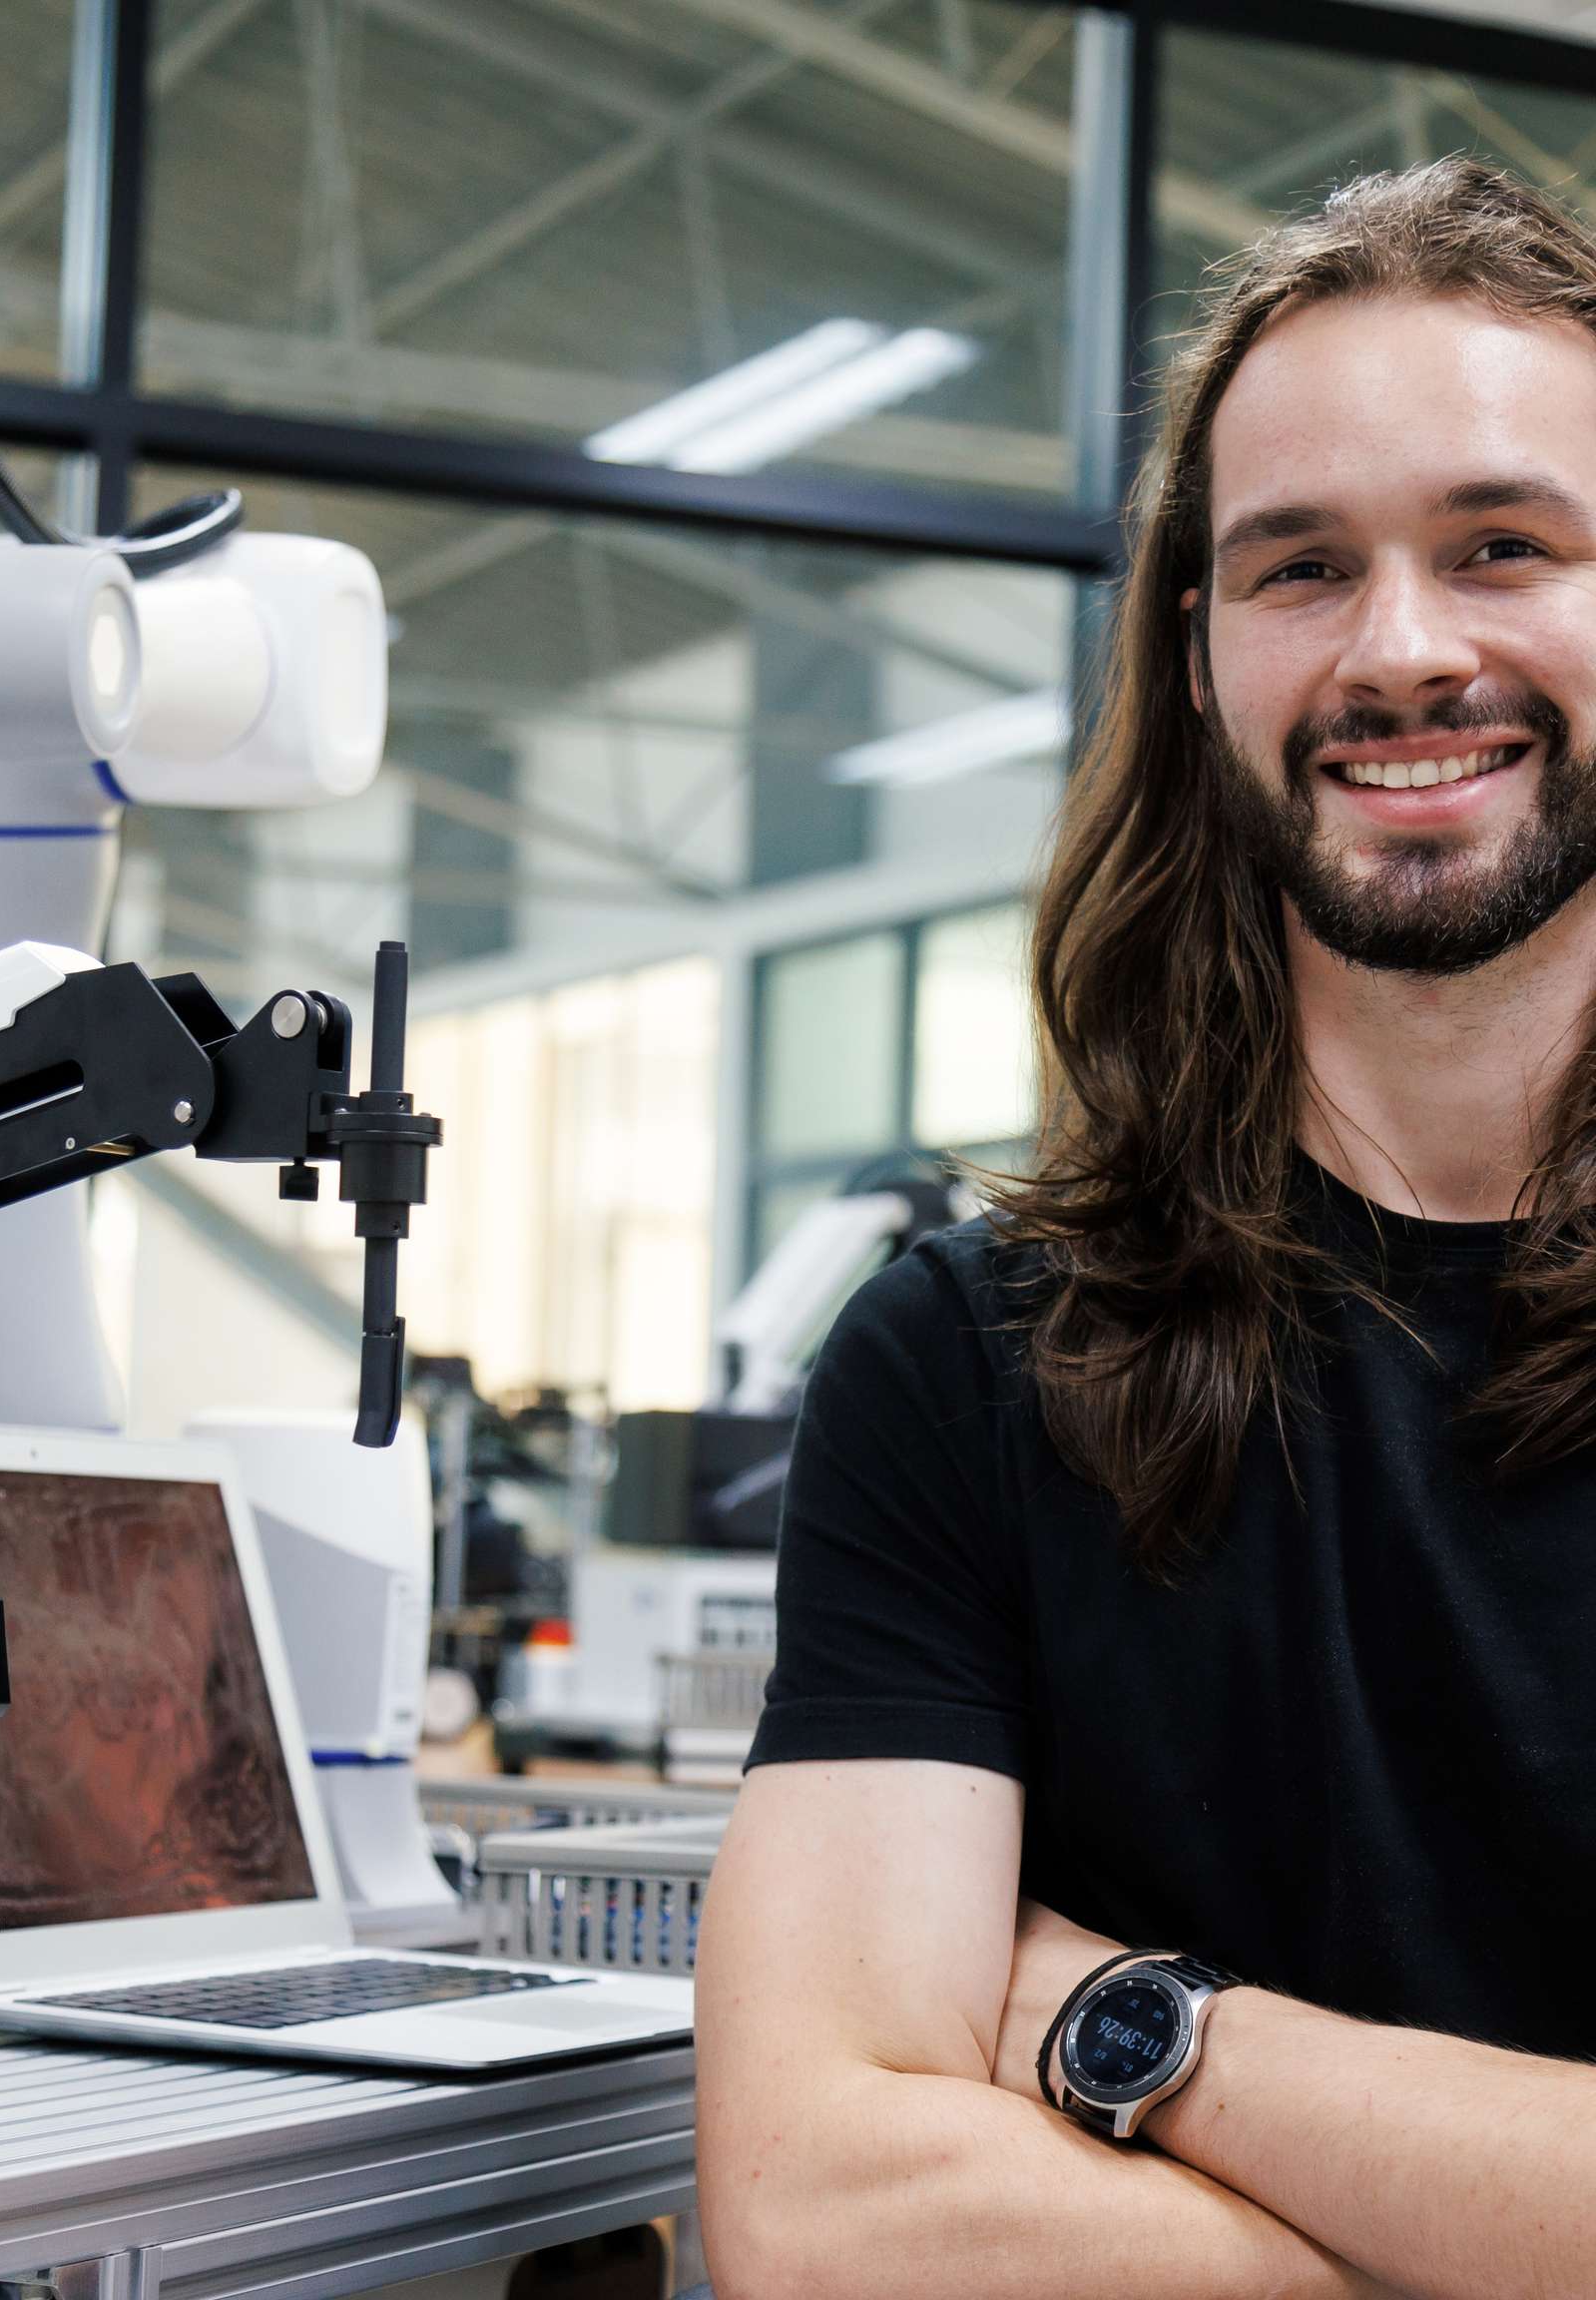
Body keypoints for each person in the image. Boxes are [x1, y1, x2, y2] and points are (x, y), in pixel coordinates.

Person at [697, 156, 1596, 2300]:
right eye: (1299, 569)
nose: (1401, 650)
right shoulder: (970, 1357)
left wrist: (1156, 2036)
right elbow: (818, 2217)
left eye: (1503, 547)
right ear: (1196, 660)